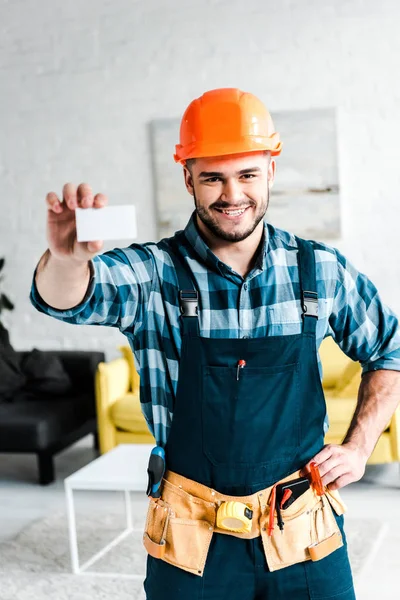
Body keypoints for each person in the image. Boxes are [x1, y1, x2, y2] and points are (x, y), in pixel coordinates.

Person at [30, 88, 400, 599]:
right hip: (190, 540)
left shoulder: (321, 270)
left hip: (302, 533)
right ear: (188, 178)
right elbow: (65, 298)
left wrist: (359, 448)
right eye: (213, 177)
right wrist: (67, 260)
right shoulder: (153, 274)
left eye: (247, 174)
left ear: (271, 169)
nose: (232, 194)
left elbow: (391, 351)